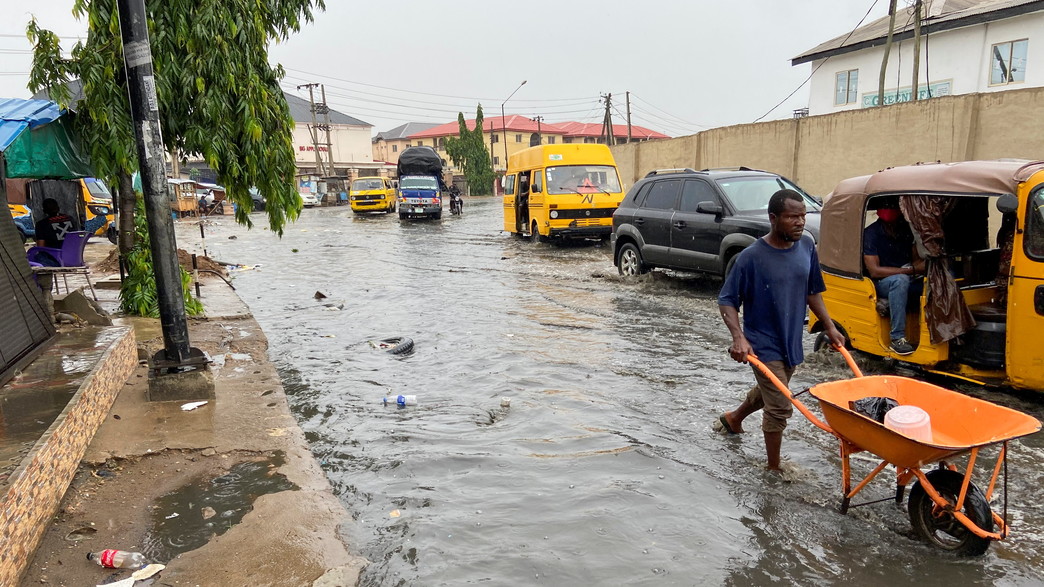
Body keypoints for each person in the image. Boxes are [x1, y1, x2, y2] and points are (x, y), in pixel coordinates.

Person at [716, 189, 844, 471]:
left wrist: (830, 327)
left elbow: (813, 292)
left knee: (774, 390)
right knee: (781, 405)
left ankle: (734, 419)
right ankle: (772, 469)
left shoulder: (807, 246)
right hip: (762, 343)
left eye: (803, 216)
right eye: (792, 217)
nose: (800, 222)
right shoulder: (751, 258)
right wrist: (739, 337)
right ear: (773, 218)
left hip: (791, 339)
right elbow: (727, 299)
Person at [862, 199, 924, 355]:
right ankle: (897, 338)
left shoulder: (906, 230)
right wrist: (909, 271)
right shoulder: (871, 234)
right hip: (882, 283)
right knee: (900, 281)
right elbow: (875, 271)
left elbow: (916, 259)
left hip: (907, 277)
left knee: (940, 279)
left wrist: (920, 267)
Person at [33, 198, 75, 267]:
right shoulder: (71, 219)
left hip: (55, 260)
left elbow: (41, 247)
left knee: (36, 256)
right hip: (73, 258)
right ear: (58, 208)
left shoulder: (41, 224)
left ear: (44, 211)